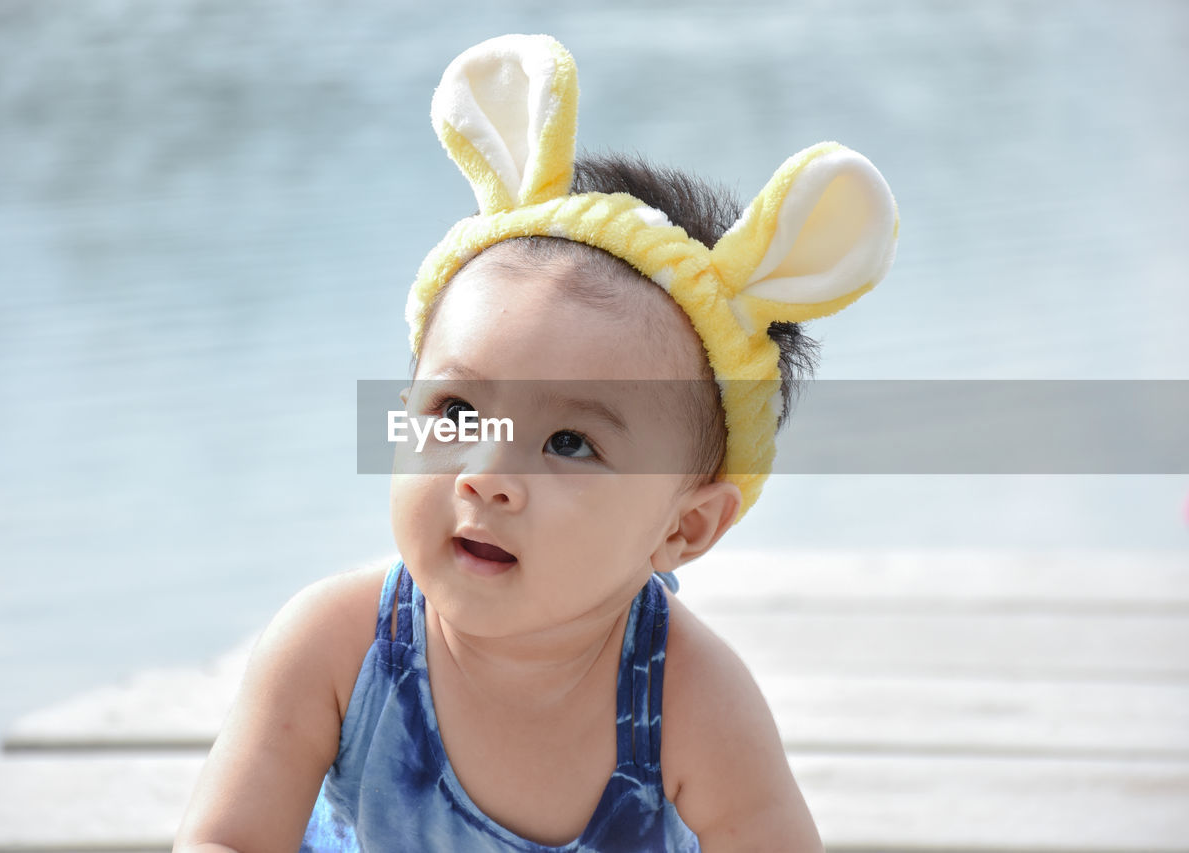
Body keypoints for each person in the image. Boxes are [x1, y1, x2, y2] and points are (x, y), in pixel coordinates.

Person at [174, 33, 897, 853]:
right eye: (455, 412)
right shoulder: (336, 648)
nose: (487, 476)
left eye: (569, 441)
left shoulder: (689, 700)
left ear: (682, 529)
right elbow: (226, 839)